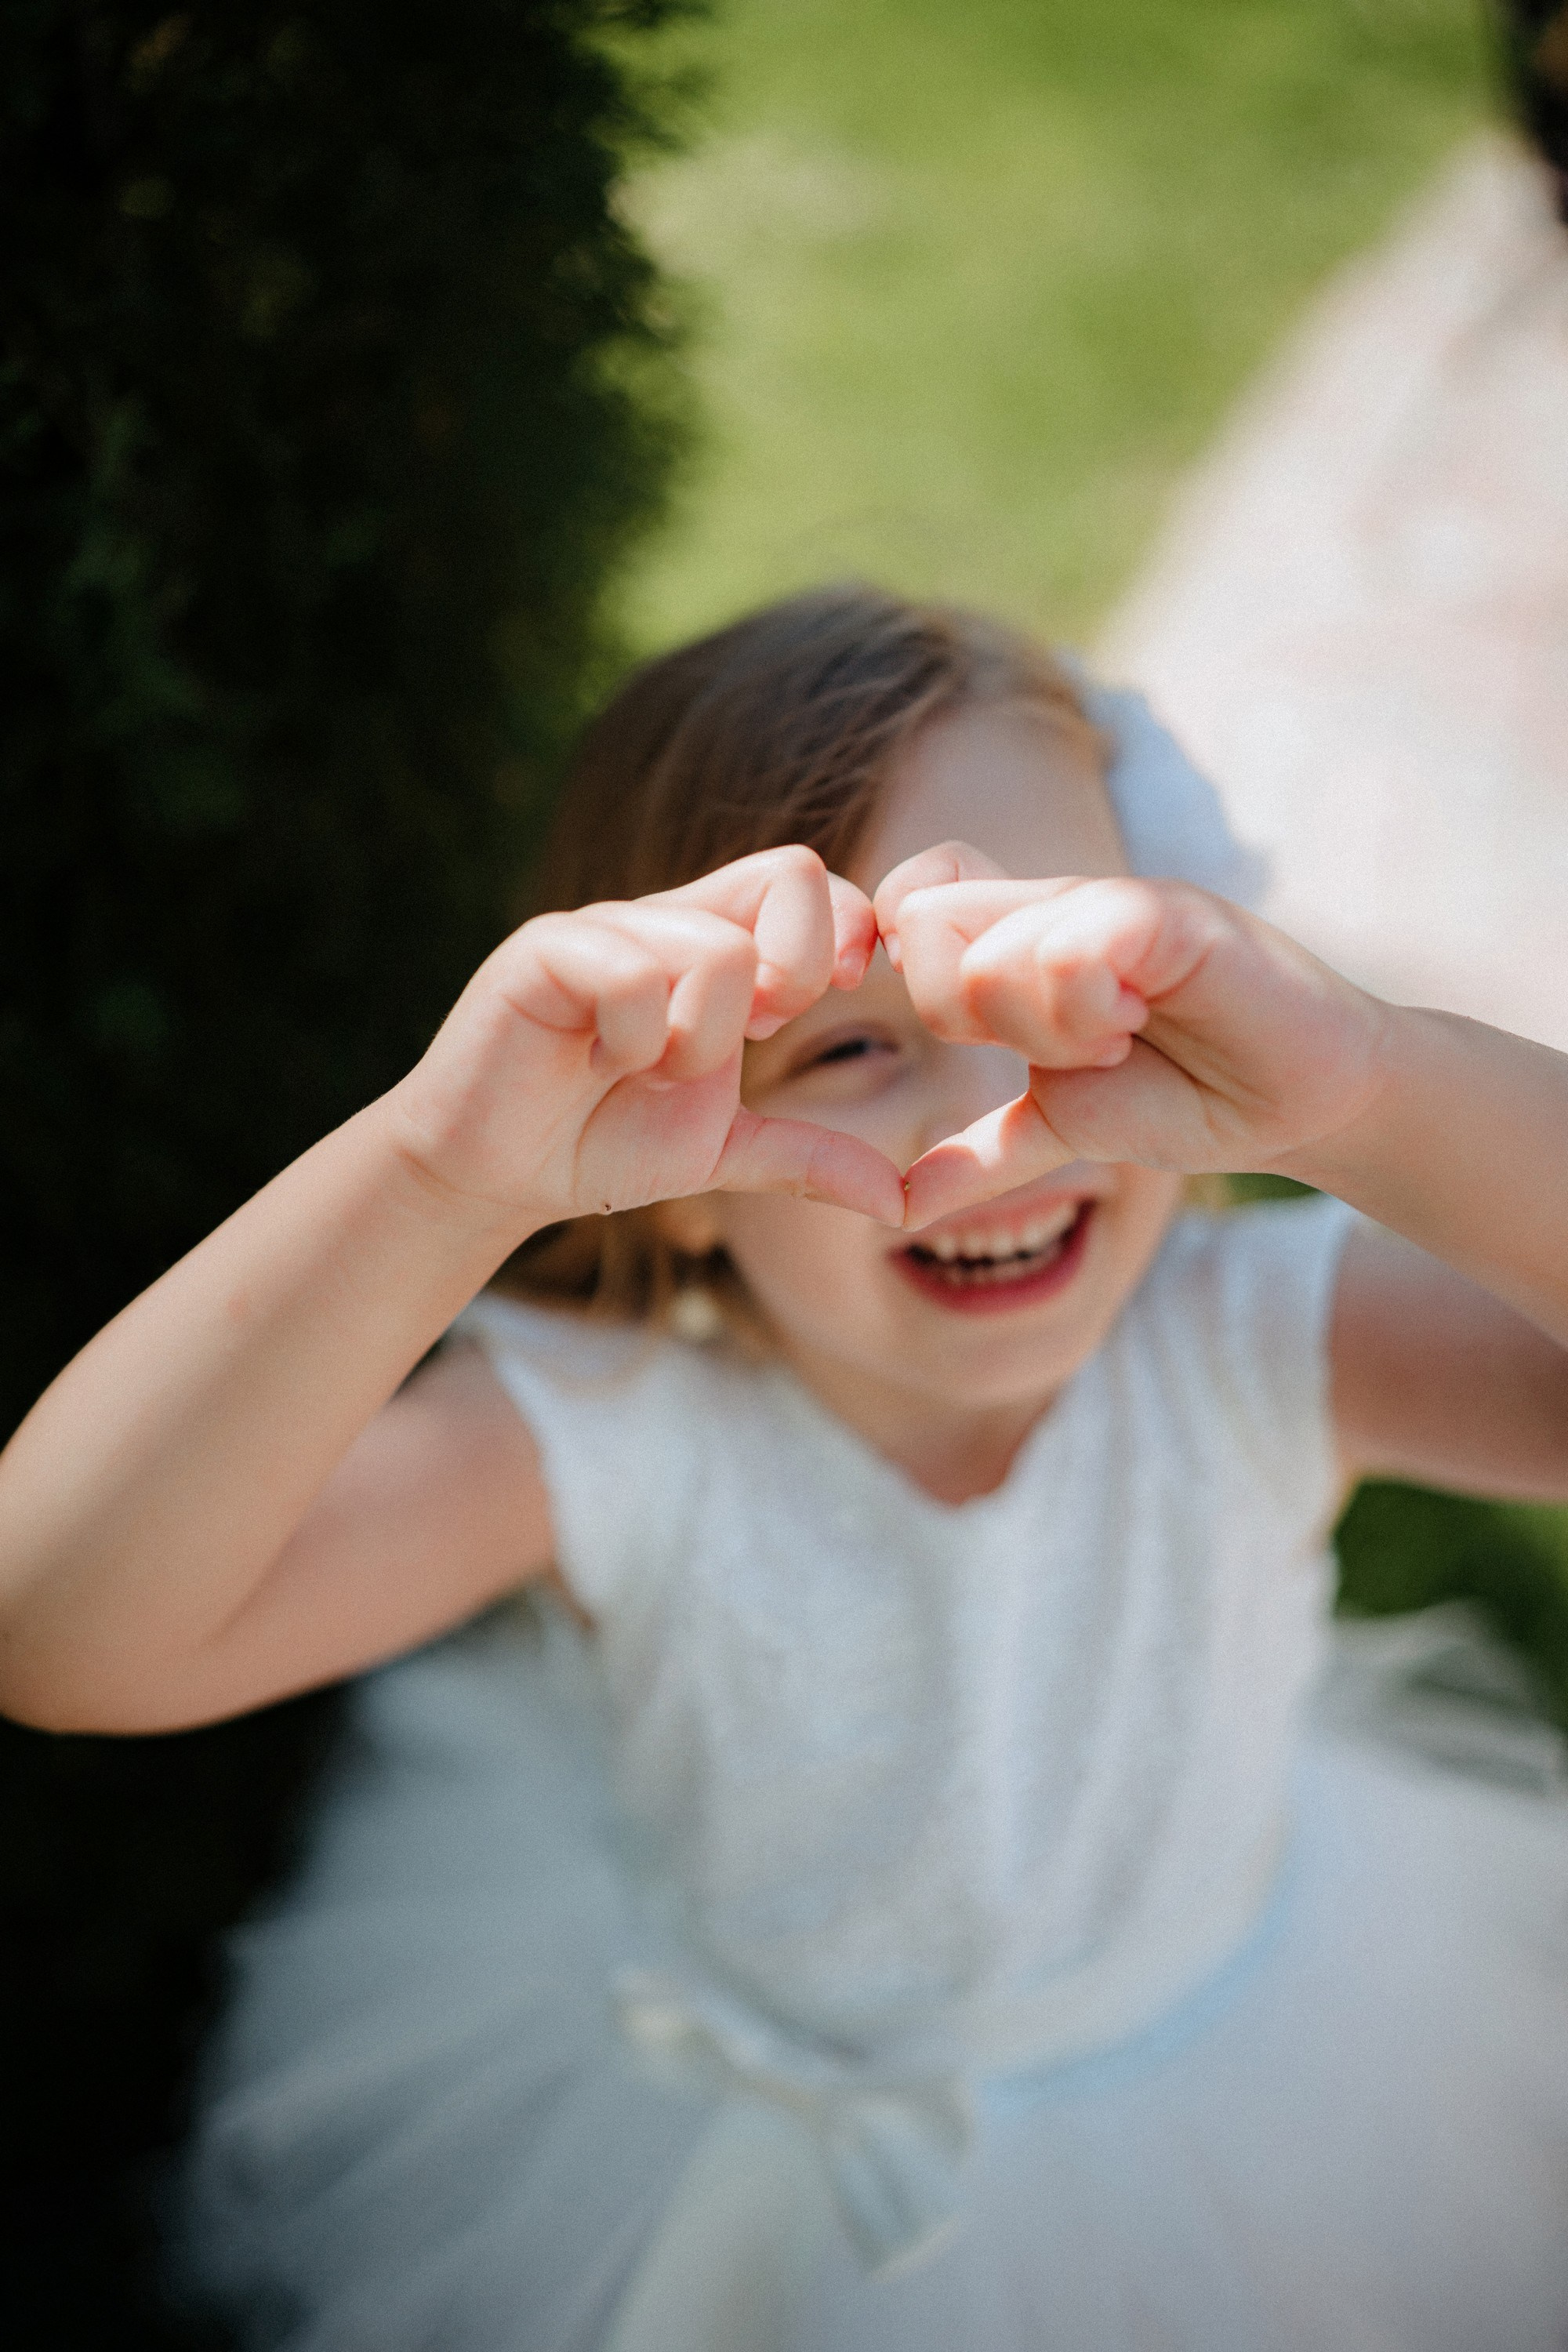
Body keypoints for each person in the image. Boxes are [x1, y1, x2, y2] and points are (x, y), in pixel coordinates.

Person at [1, 587, 1566, 2351]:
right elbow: (59, 1631)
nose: (987, 1133)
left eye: (1067, 1002)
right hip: (713, 2172)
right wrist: (443, 1169)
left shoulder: (1256, 1336)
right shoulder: (609, 1439)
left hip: (1277, 2112)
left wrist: (1364, 1085)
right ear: (652, 1158)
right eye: (847, 1045)